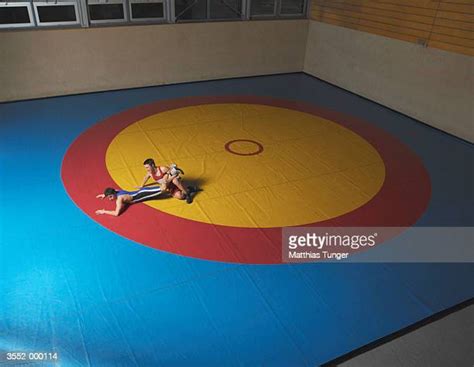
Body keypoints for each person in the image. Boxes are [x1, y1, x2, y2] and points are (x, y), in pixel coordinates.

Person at [95, 186, 162, 216]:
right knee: (163, 187)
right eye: (108, 197)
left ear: (114, 194)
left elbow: (116, 213)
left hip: (143, 194)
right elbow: (113, 190)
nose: (110, 199)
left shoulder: (119, 200)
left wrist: (103, 211)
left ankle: (172, 174)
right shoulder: (116, 191)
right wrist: (104, 195)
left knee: (163, 189)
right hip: (142, 191)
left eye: (110, 197)